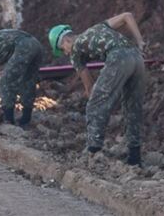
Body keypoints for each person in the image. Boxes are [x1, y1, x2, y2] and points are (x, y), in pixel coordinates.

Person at [49, 12, 148, 167]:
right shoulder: (99, 27)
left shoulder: (75, 52)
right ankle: (134, 157)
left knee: (94, 106)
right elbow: (127, 16)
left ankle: (93, 152)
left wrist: (97, 100)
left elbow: (89, 88)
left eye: (62, 49)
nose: (65, 53)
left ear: (67, 40)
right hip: (137, 57)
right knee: (132, 107)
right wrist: (140, 41)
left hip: (118, 58)